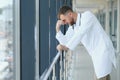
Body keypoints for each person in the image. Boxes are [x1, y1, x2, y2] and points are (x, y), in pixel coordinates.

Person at [55, 5, 116, 80]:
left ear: (70, 14)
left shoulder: (87, 16)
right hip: (96, 54)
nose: (64, 23)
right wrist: (57, 29)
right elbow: (65, 41)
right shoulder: (73, 27)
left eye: (64, 20)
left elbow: (80, 33)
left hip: (103, 50)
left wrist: (66, 47)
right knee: (102, 76)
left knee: (102, 76)